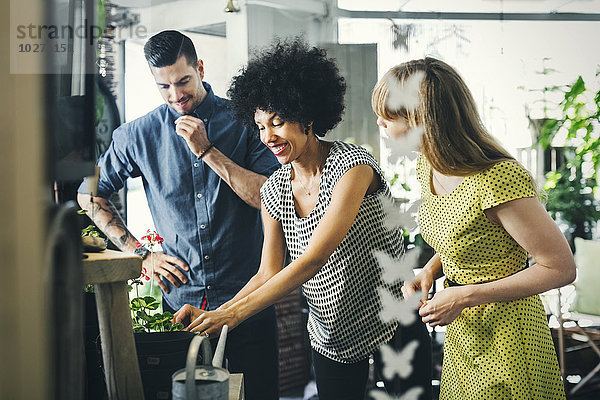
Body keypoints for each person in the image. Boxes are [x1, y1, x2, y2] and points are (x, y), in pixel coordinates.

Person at [174, 38, 431, 400]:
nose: (268, 137)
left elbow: (314, 258)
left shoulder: (352, 166)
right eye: (261, 126)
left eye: (278, 123)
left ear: (308, 117)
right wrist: (216, 314)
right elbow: (268, 272)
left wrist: (232, 317)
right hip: (333, 333)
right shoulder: (275, 190)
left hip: (394, 320)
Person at [77, 30, 280, 400]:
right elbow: (89, 195)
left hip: (250, 301)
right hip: (181, 313)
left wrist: (206, 150)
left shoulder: (248, 122)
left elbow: (272, 197)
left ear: (199, 68)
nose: (176, 95)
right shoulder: (136, 135)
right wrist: (140, 254)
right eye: (164, 87)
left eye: (183, 81)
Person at [372, 57, 576, 399]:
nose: (380, 122)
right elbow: (465, 232)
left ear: (421, 119)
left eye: (388, 114)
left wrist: (465, 295)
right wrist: (431, 270)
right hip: (464, 334)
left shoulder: (497, 178)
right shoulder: (428, 166)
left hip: (510, 335)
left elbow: (561, 268)